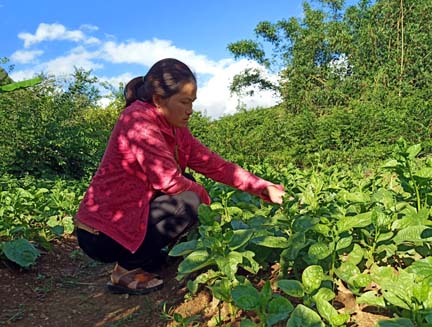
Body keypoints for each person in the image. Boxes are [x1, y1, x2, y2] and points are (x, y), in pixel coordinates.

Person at [74, 58, 285, 295]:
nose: (190, 110)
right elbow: (169, 182)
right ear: (158, 100)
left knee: (190, 186)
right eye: (184, 102)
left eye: (192, 102)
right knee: (188, 201)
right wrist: (208, 206)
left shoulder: (175, 127)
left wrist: (262, 187)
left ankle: (142, 255)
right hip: (100, 233)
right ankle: (124, 272)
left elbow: (214, 165)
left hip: (130, 215)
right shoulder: (138, 122)